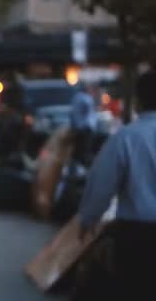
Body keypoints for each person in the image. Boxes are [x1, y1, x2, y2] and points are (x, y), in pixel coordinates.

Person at [78, 70, 156, 299]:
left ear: (139, 102)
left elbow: (102, 184)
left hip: (138, 237)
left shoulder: (127, 138)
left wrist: (88, 219)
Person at [69, 83, 97, 168]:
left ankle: (77, 166)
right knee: (85, 149)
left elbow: (72, 113)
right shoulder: (86, 98)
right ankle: (83, 167)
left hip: (78, 127)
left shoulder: (76, 97)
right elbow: (88, 109)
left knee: (78, 150)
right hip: (86, 127)